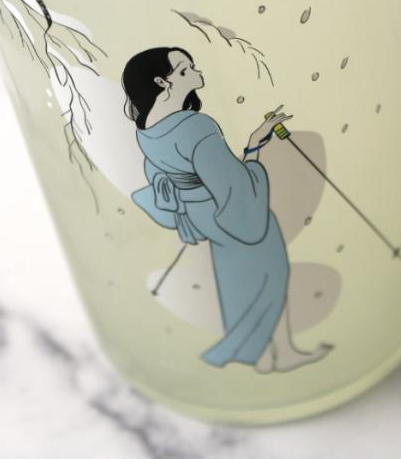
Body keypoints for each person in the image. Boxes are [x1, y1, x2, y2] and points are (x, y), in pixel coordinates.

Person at [122, 46, 334, 373]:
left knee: (239, 279)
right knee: (270, 275)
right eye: (184, 69)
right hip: (229, 212)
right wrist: (254, 147)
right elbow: (232, 185)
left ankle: (264, 356)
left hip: (199, 212)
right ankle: (282, 353)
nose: (196, 71)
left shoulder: (147, 128)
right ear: (162, 82)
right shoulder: (195, 127)